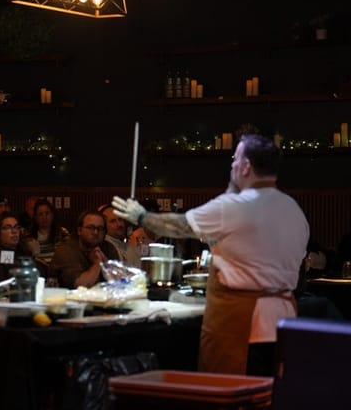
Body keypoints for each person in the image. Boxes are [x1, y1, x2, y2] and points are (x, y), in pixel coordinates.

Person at [111, 133, 309, 376]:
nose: (232, 165)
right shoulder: (293, 208)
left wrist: (141, 216)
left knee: (232, 394)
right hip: (283, 322)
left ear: (246, 166)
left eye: (235, 159)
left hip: (241, 324)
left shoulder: (235, 206)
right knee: (272, 395)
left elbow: (179, 225)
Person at [48, 209, 119, 289]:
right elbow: (81, 287)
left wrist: (106, 263)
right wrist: (98, 263)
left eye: (100, 228)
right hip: (66, 299)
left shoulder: (108, 248)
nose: (96, 232)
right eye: (91, 228)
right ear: (79, 230)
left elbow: (121, 283)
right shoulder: (65, 251)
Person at [22, 197, 70, 267]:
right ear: (35, 217)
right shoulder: (28, 235)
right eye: (40, 214)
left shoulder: (63, 232)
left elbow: (69, 255)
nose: (44, 217)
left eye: (47, 213)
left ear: (52, 215)